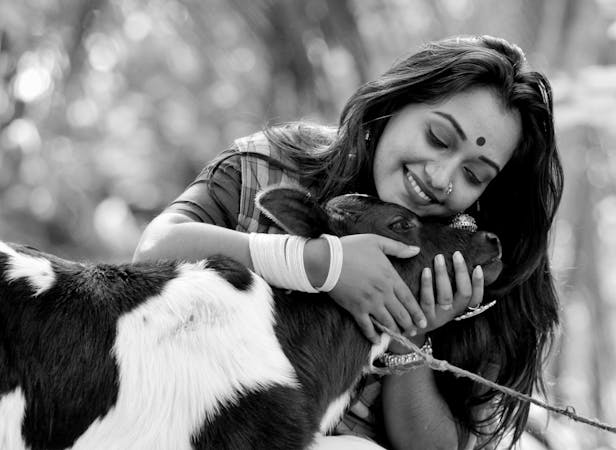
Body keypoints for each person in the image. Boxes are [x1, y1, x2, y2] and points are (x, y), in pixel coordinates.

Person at [134, 35, 563, 450]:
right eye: (437, 138)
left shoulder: (471, 277)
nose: (439, 178)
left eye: (473, 175)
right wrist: (319, 263)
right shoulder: (270, 168)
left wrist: (407, 333)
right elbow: (155, 251)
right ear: (393, 104)